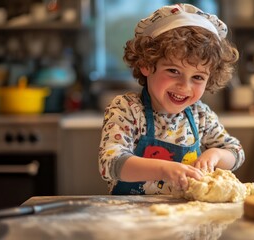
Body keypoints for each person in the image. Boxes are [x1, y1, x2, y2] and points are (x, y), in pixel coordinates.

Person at [98, 3, 244, 195]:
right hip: (132, 219)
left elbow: (236, 152)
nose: (184, 86)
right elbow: (111, 163)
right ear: (146, 65)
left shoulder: (200, 115)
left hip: (186, 218)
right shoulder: (127, 110)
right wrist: (165, 170)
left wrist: (215, 155)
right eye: (173, 71)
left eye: (198, 77)